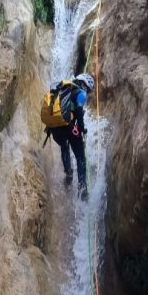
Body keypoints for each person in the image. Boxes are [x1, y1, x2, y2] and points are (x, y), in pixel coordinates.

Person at [41, 73, 95, 201]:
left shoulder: (63, 90)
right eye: (88, 89)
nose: (87, 92)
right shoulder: (81, 93)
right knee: (80, 157)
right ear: (85, 85)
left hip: (55, 130)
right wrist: (82, 129)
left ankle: (68, 173)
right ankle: (83, 191)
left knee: (64, 145)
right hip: (69, 127)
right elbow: (79, 111)